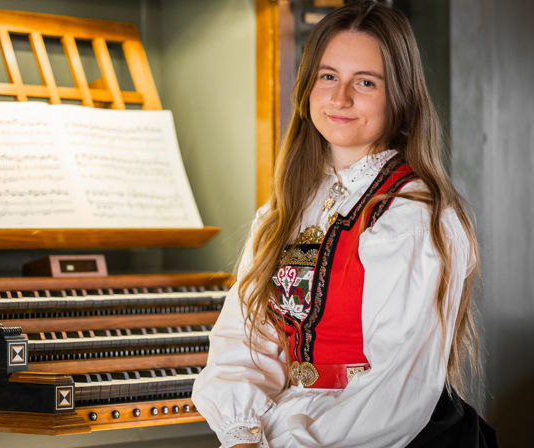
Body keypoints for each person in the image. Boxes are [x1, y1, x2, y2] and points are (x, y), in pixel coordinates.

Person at [191, 1, 497, 447]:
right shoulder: (285, 210)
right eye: (328, 76)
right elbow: (243, 345)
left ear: (401, 96)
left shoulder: (415, 216)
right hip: (289, 428)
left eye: (366, 82)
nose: (340, 98)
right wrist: (242, 435)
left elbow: (390, 392)